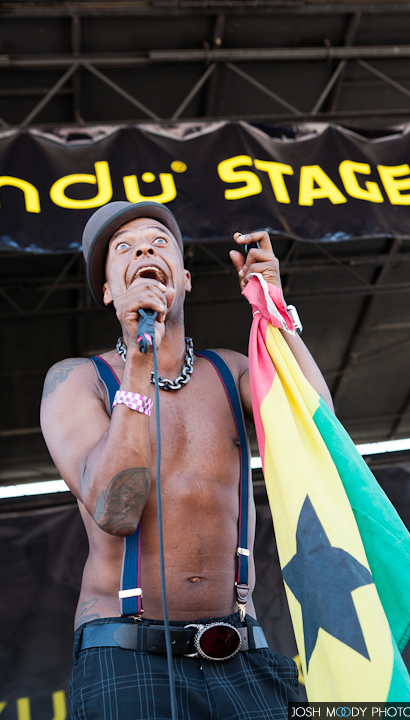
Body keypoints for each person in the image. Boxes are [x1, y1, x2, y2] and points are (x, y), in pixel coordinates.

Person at [40, 200, 334, 720]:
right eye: (124, 248)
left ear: (187, 278)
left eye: (159, 242)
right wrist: (140, 360)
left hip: (242, 651)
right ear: (108, 290)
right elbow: (114, 510)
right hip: (127, 652)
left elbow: (319, 434)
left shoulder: (231, 371)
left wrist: (274, 308)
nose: (145, 251)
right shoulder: (77, 381)